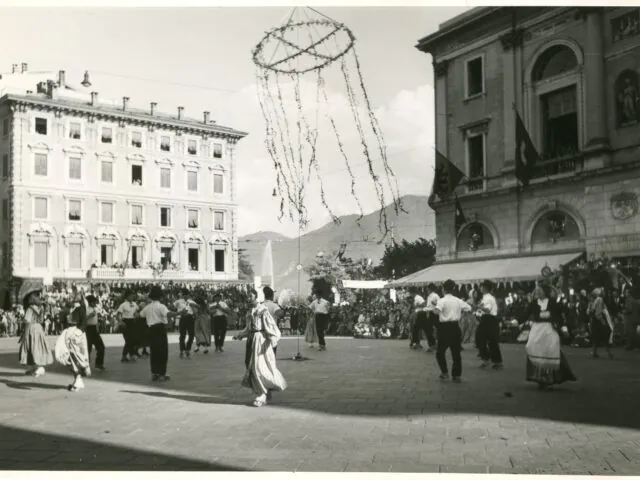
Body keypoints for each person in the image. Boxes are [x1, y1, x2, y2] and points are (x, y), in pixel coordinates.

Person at [233, 290, 287, 407]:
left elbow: (270, 325)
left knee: (258, 366)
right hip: (251, 340)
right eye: (247, 297)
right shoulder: (250, 312)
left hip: (260, 339)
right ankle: (263, 391)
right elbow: (248, 328)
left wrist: (272, 338)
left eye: (251, 297)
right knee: (250, 365)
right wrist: (240, 335)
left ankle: (262, 393)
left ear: (256, 297)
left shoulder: (262, 310)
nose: (249, 299)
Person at [525, 283, 577, 390]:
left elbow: (560, 316)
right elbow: (525, 314)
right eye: (536, 291)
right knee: (533, 347)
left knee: (549, 351)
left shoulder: (553, 303)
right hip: (537, 329)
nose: (537, 292)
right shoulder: (534, 303)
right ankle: (539, 377)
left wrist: (563, 328)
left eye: (539, 290)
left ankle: (548, 379)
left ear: (545, 292)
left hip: (549, 329)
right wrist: (517, 320)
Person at [139, 285, 180, 382]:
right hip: (160, 329)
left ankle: (154, 373)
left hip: (151, 329)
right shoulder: (161, 306)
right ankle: (162, 374)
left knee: (154, 352)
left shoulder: (147, 307)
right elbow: (168, 314)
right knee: (162, 352)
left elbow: (140, 315)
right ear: (160, 296)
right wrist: (180, 313)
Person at [434, 279, 471, 383]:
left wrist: (435, 306)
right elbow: (468, 308)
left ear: (443, 289)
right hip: (455, 327)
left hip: (444, 328)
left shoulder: (442, 300)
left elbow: (437, 312)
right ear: (453, 289)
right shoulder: (458, 300)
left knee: (440, 352)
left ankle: (444, 373)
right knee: (456, 353)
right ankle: (457, 375)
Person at [18, 280, 54, 377]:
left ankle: (38, 367)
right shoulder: (40, 308)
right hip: (38, 328)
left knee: (31, 347)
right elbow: (42, 319)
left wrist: (24, 334)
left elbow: (27, 321)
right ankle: (32, 368)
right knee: (37, 347)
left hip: (31, 328)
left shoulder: (30, 309)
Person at [55, 301, 92, 392]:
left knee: (77, 356)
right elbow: (62, 321)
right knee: (70, 357)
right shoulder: (68, 309)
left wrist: (79, 331)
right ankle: (77, 380)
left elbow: (84, 322)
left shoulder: (80, 309)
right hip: (69, 333)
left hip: (77, 334)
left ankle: (79, 379)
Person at [476, 280, 503, 370]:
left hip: (489, 319)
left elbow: (487, 310)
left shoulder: (488, 298)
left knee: (485, 339)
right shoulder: (486, 297)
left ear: (485, 288)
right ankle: (493, 360)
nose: (480, 288)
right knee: (488, 340)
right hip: (487, 319)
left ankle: (491, 360)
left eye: (481, 287)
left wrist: (479, 307)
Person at [588, 288, 614, 359]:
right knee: (605, 335)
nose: (604, 293)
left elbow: (589, 311)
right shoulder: (600, 300)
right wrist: (603, 322)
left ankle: (595, 352)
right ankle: (609, 353)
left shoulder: (593, 301)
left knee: (596, 337)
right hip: (599, 321)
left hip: (594, 321)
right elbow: (598, 313)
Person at [116, 291, 139, 363]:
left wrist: (136, 315)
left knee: (132, 339)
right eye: (131, 295)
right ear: (127, 296)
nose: (132, 297)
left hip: (132, 322)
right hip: (125, 322)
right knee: (128, 339)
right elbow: (118, 314)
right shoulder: (123, 305)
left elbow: (136, 312)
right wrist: (121, 322)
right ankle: (130, 355)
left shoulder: (135, 304)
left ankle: (126, 356)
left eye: (133, 295)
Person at [84, 294, 106, 371]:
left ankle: (99, 364)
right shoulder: (86, 309)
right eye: (93, 302)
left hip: (94, 330)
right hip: (88, 329)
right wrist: (90, 315)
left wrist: (97, 328)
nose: (95, 303)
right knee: (87, 349)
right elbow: (83, 319)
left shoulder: (95, 309)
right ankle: (85, 366)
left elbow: (95, 321)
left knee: (101, 347)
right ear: (90, 302)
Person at [174, 289, 197, 358]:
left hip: (190, 318)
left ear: (188, 295)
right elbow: (174, 306)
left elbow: (195, 310)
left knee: (192, 335)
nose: (185, 296)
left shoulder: (192, 301)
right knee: (182, 335)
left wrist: (194, 311)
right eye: (184, 295)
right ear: (182, 295)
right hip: (183, 318)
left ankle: (188, 349)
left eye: (187, 295)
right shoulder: (178, 301)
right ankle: (182, 350)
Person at [262, 287, 283, 356]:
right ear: (272, 296)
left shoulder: (261, 305)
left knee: (263, 354)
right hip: (271, 331)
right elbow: (280, 314)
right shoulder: (274, 305)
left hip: (262, 332)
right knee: (272, 353)